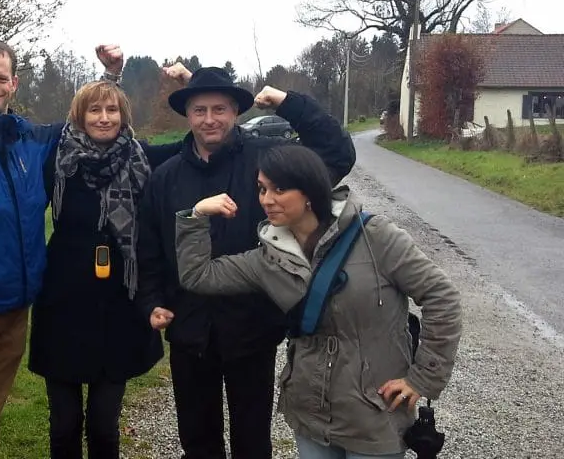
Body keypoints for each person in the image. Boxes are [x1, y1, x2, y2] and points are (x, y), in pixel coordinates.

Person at [0, 42, 185, 459]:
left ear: (14, 83)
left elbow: (188, 136)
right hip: (23, 304)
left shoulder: (64, 146)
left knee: (14, 423)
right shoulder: (32, 153)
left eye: (0, 78)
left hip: (78, 306)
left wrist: (150, 79)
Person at [174, 144, 463, 459]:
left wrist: (422, 378)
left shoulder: (375, 237)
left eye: (279, 189)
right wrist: (196, 216)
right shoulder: (268, 259)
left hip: (375, 412)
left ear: (310, 191)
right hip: (310, 412)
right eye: (262, 189)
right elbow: (198, 276)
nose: (266, 199)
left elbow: (441, 296)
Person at [136, 66, 356, 459]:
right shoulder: (165, 177)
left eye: (219, 109)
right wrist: (153, 299)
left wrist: (288, 103)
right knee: (197, 440)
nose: (209, 119)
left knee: (252, 441)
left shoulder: (267, 161)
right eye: (200, 110)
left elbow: (337, 154)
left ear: (236, 111)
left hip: (253, 325)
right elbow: (149, 246)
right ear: (187, 115)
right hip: (189, 326)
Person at [29, 77, 180, 459]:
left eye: (112, 109)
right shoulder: (58, 158)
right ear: (79, 116)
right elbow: (11, 200)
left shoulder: (141, 157)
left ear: (123, 115)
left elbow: (198, 141)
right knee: (64, 423)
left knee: (103, 423)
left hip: (119, 306)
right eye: (94, 109)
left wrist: (192, 86)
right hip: (62, 304)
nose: (103, 117)